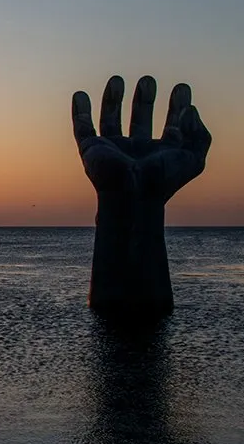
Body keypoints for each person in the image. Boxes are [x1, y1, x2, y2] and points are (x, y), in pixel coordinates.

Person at [71, 75, 211, 318]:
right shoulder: (128, 177)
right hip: (144, 304)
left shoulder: (137, 177)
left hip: (111, 303)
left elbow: (106, 307)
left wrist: (133, 196)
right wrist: (125, 196)